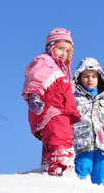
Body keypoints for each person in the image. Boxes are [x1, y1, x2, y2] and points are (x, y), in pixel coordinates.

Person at [22, 27, 81, 176]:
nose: (64, 53)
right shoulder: (45, 62)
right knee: (60, 140)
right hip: (52, 111)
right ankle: (61, 170)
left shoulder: (63, 71)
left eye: (68, 51)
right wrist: (34, 96)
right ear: (51, 47)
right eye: (61, 48)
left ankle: (48, 168)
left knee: (53, 140)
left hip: (62, 113)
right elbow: (35, 78)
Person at [71, 57, 104, 187]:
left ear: (99, 78)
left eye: (94, 76)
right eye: (86, 76)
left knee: (102, 178)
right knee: (81, 175)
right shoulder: (74, 100)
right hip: (82, 144)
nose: (90, 79)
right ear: (79, 78)